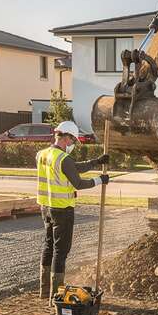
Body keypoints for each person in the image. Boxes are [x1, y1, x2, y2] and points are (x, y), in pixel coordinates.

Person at [36, 121, 110, 299]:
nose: (73, 144)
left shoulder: (42, 154)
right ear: (67, 138)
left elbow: (72, 168)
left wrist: (96, 162)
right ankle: (56, 295)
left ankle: (44, 290)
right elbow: (77, 182)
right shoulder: (63, 158)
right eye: (73, 140)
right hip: (62, 209)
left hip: (45, 207)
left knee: (48, 247)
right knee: (61, 251)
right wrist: (100, 180)